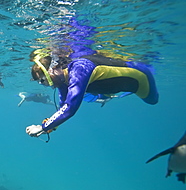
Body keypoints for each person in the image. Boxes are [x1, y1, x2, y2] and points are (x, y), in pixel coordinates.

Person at [25, 48, 159, 137]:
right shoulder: (62, 82)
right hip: (111, 86)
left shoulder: (78, 69)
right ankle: (105, 95)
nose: (46, 85)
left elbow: (70, 108)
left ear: (53, 69)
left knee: (153, 101)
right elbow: (63, 107)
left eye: (43, 80)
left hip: (141, 78)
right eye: (41, 82)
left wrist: (43, 127)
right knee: (97, 93)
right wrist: (49, 127)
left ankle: (149, 65)